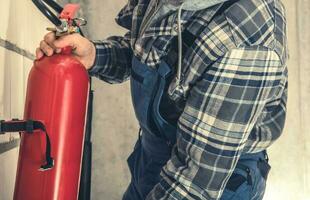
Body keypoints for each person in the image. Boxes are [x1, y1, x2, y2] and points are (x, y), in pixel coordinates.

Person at [36, 0, 288, 199]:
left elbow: (195, 182)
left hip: (214, 179)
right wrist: (94, 55)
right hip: (154, 155)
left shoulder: (246, 40)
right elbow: (146, 49)